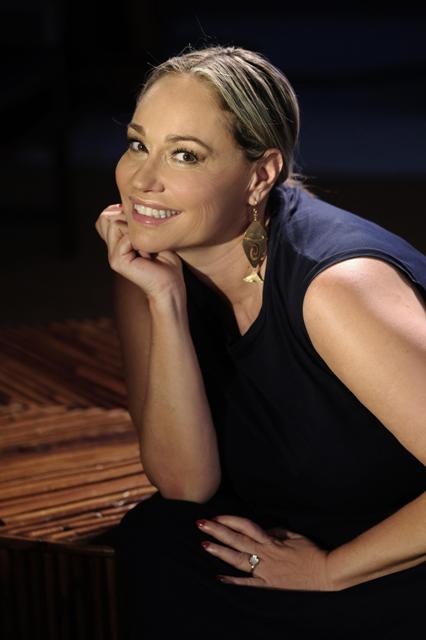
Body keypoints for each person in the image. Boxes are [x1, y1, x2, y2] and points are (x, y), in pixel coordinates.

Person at [95, 44, 426, 639]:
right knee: (157, 540)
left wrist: (330, 571)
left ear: (261, 174)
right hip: (295, 517)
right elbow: (185, 485)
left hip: (400, 543)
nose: (143, 181)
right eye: (139, 144)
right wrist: (165, 303)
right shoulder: (148, 262)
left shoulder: (335, 288)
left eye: (185, 155)